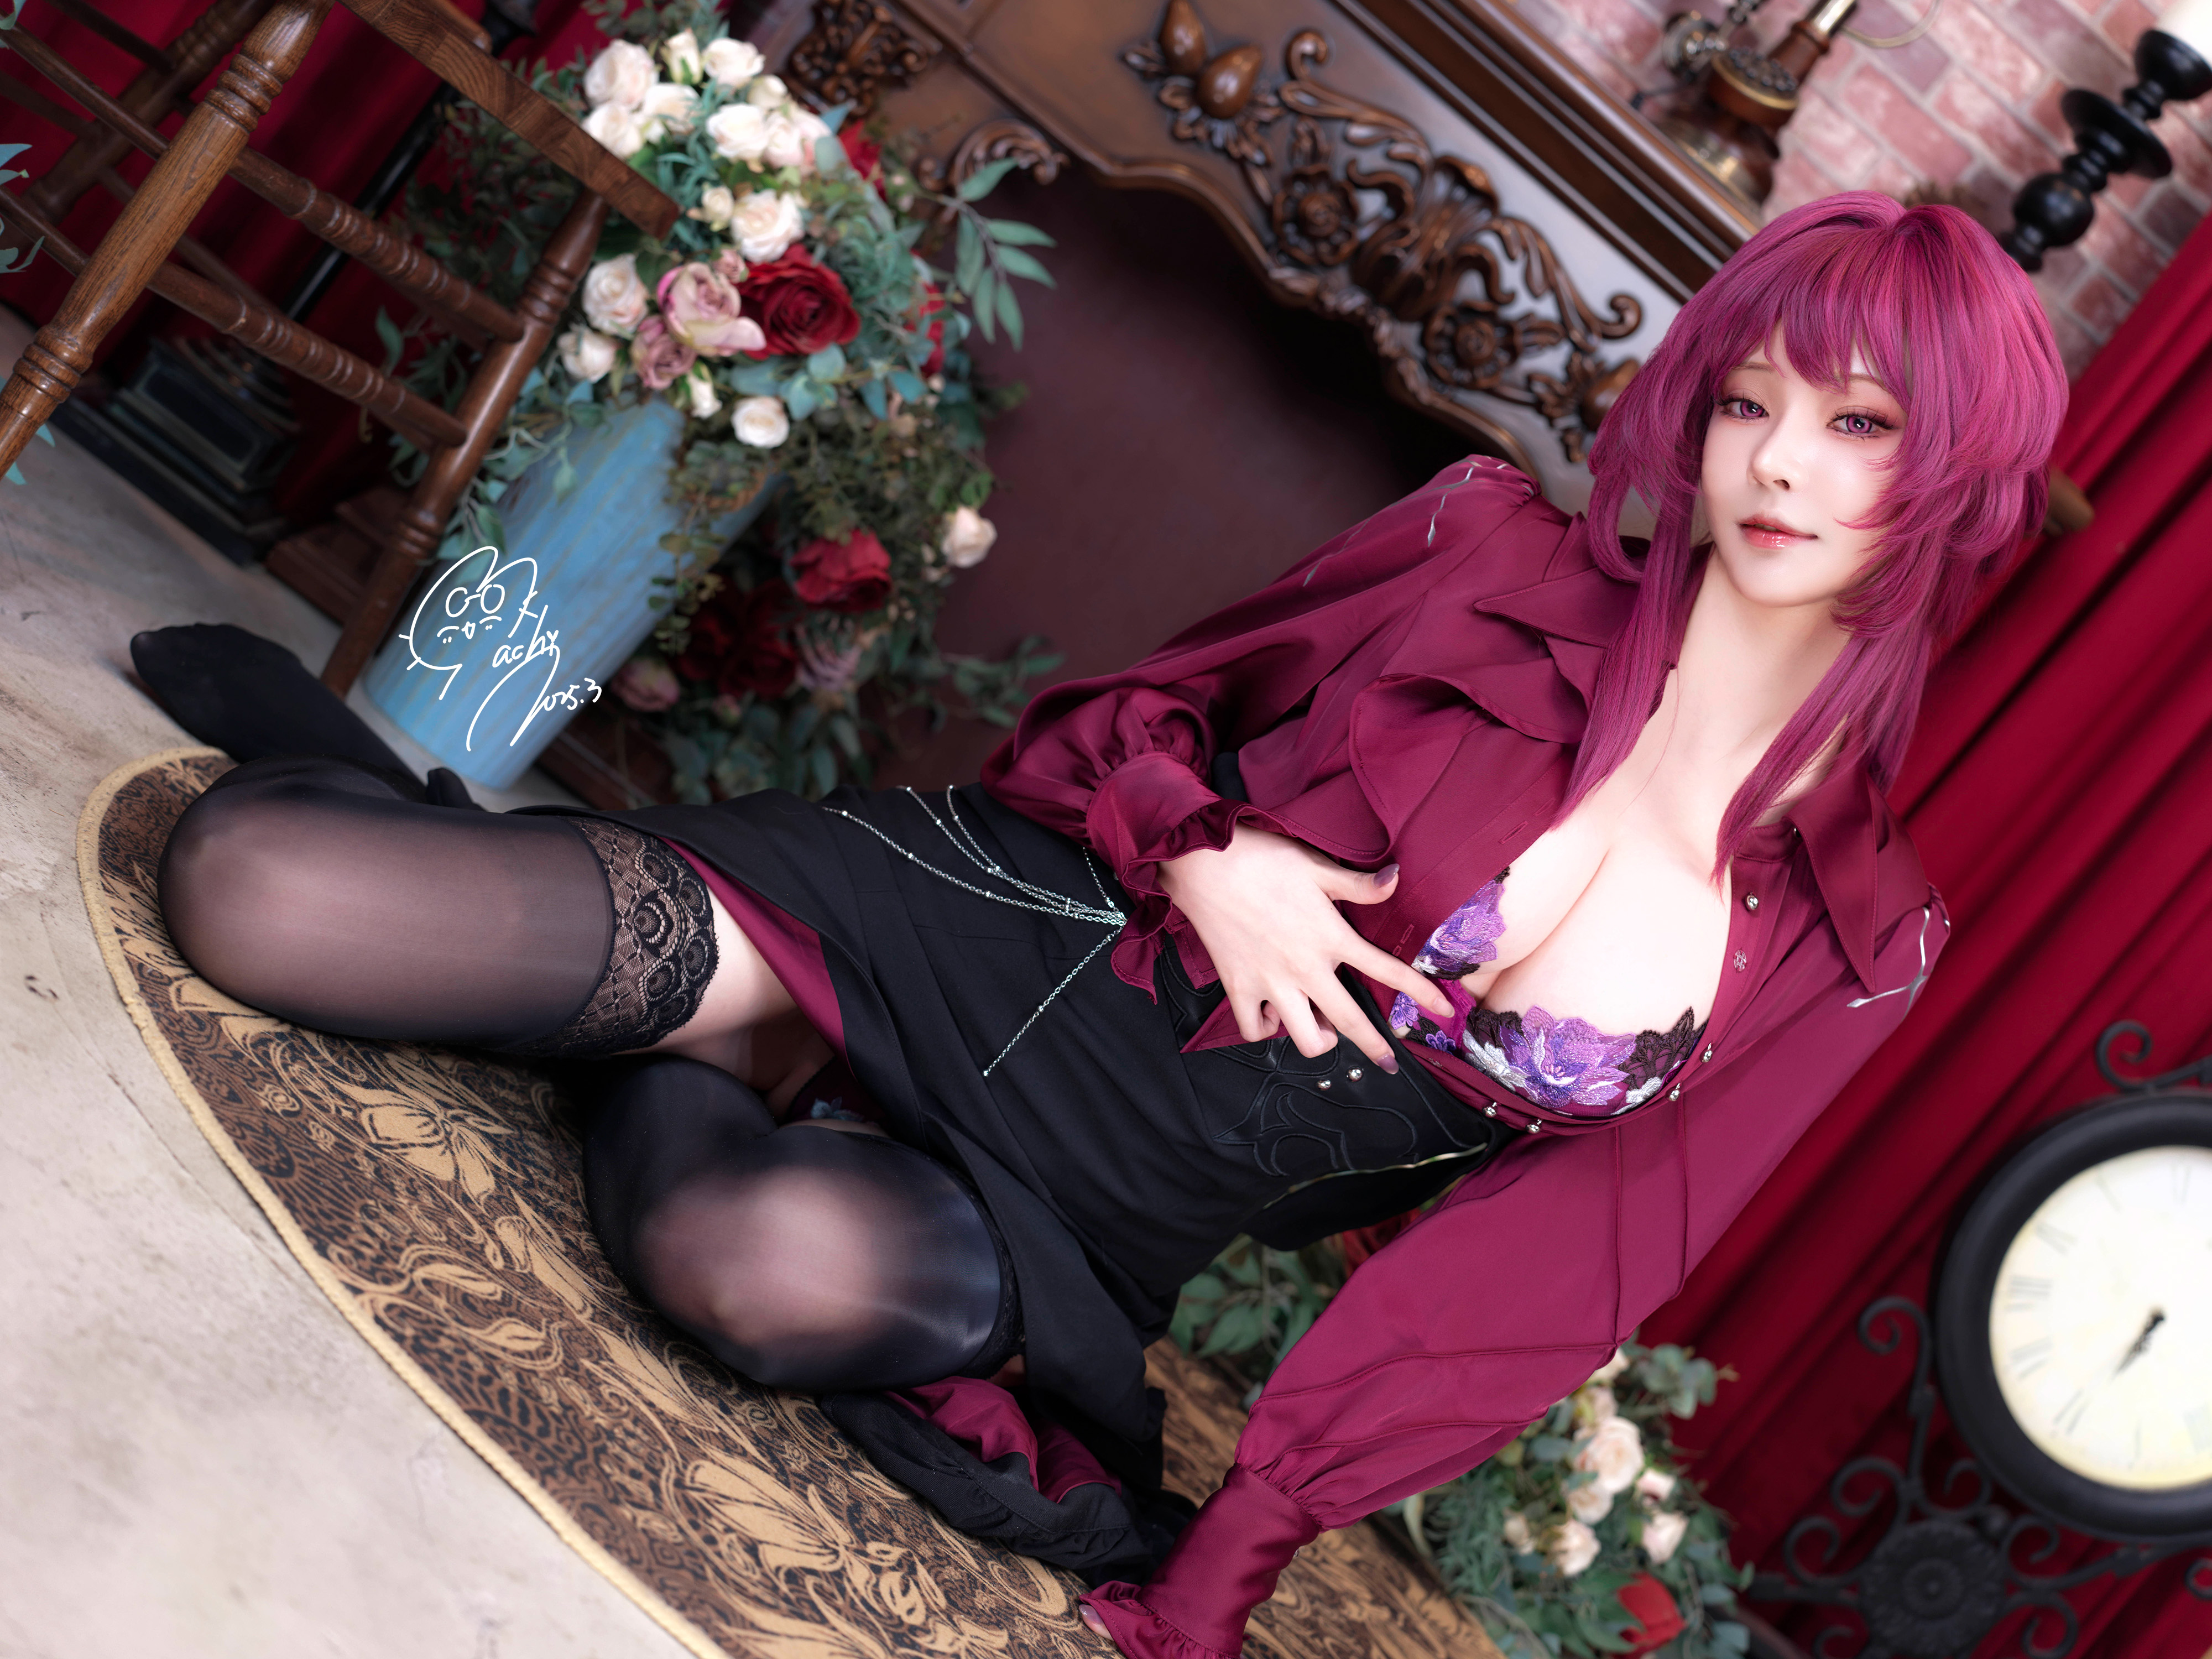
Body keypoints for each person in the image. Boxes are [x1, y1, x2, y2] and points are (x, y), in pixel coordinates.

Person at [138, 191, 2062, 1657]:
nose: (1778, 463)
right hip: (970, 936)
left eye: (1860, 422)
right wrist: (1209, 853)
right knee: (258, 890)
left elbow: (1536, 1284)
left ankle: (678, 1044)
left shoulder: (1855, 940)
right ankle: (724, 998)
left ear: (1960, 473)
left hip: (1088, 1217)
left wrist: (1225, 1571)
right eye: (1749, 402)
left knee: (748, 1265)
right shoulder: (1487, 550)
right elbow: (1126, 724)